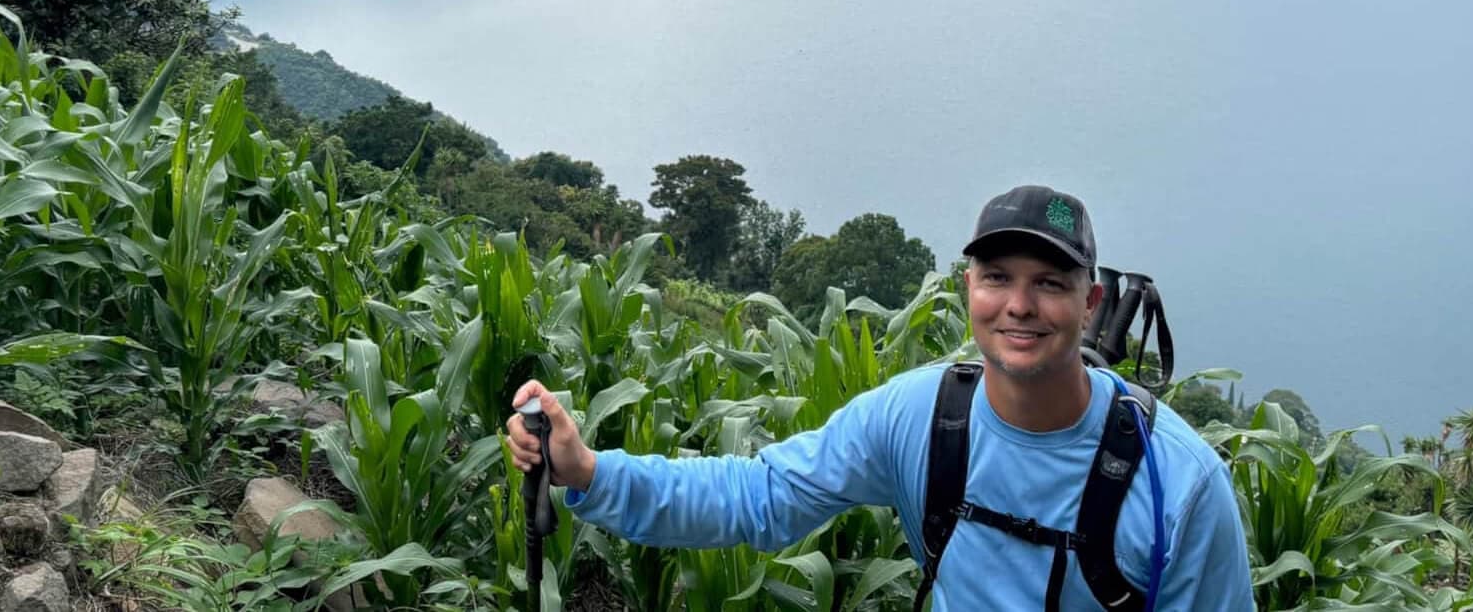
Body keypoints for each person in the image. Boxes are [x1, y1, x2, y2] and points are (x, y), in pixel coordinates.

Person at [505, 185, 1254, 610]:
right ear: (969, 289)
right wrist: (590, 474)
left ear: (1090, 303)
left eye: (1050, 283)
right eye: (998, 278)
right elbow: (758, 496)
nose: (1019, 305)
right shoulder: (922, 418)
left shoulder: (1179, 487)